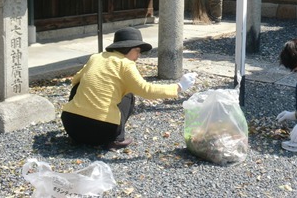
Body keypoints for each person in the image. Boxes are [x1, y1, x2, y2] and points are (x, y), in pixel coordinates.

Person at [61, 27, 197, 150]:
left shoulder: (96, 57)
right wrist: (179, 87)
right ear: (126, 48)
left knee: (79, 85)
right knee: (129, 94)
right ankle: (117, 139)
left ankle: (77, 127)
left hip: (71, 126)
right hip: (102, 133)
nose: (139, 55)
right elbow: (146, 90)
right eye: (137, 51)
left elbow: (75, 80)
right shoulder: (126, 64)